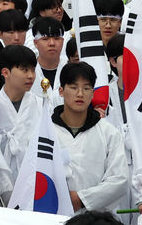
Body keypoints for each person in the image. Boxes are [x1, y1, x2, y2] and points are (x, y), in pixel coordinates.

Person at [51, 61, 129, 212]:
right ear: (61, 91)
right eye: (73, 87)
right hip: (55, 215)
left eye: (86, 88)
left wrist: (81, 199)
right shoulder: (46, 131)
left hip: (97, 219)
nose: (80, 94)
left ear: (93, 93)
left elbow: (119, 179)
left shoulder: (108, 132)